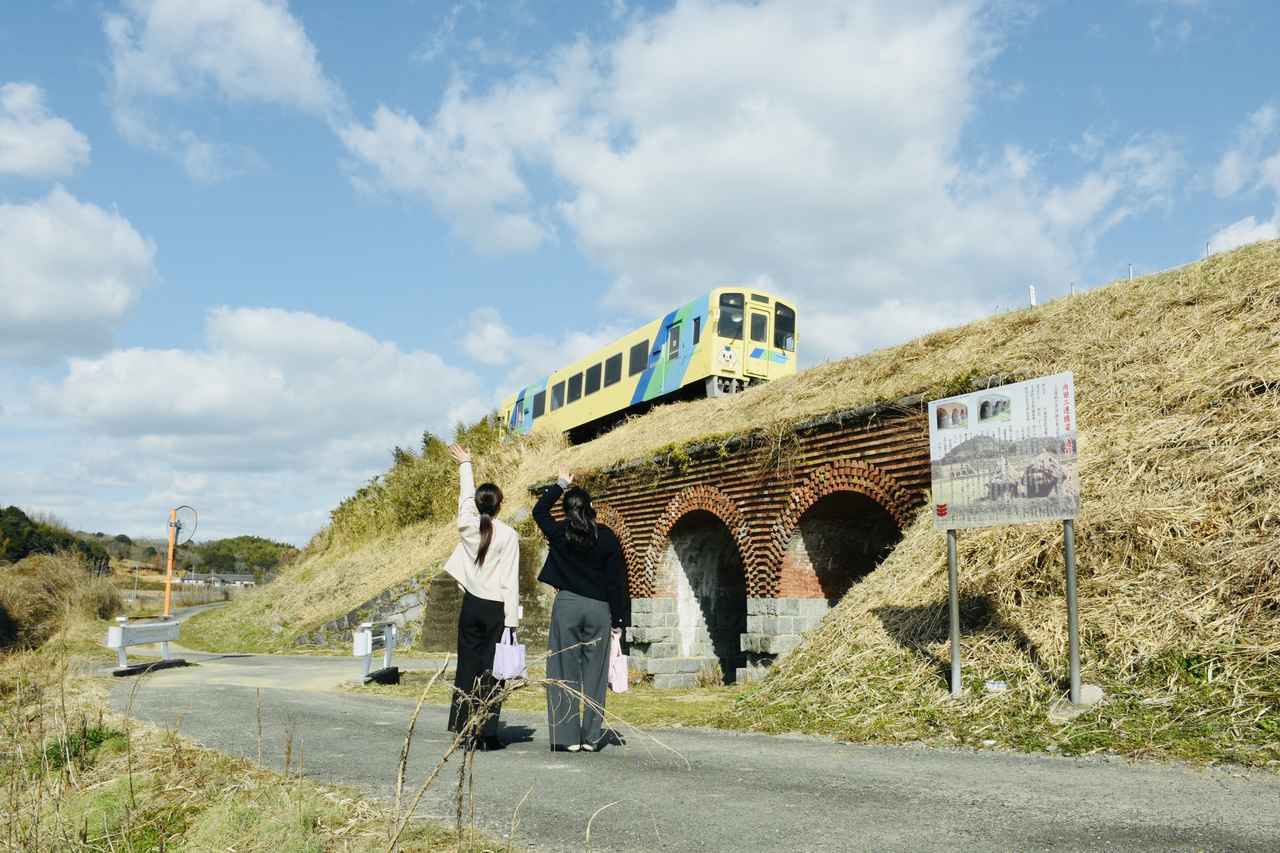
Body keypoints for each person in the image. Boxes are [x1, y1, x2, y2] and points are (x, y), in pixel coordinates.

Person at [533, 471, 630, 752]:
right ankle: (590, 736)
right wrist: (619, 619)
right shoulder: (608, 537)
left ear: (565, 510)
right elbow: (617, 581)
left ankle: (566, 737)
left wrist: (561, 483)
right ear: (591, 508)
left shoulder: (560, 533)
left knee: (563, 670)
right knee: (595, 675)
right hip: (599, 608)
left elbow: (539, 511)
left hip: (567, 605)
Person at [443, 444, 520, 751]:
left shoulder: (467, 526)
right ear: (500, 505)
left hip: (471, 605)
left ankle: (462, 728)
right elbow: (511, 581)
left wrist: (466, 464)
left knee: (467, 666)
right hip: (497, 608)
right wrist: (512, 623)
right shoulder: (509, 535)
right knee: (493, 671)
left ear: (478, 505)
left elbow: (464, 501)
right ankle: (487, 732)